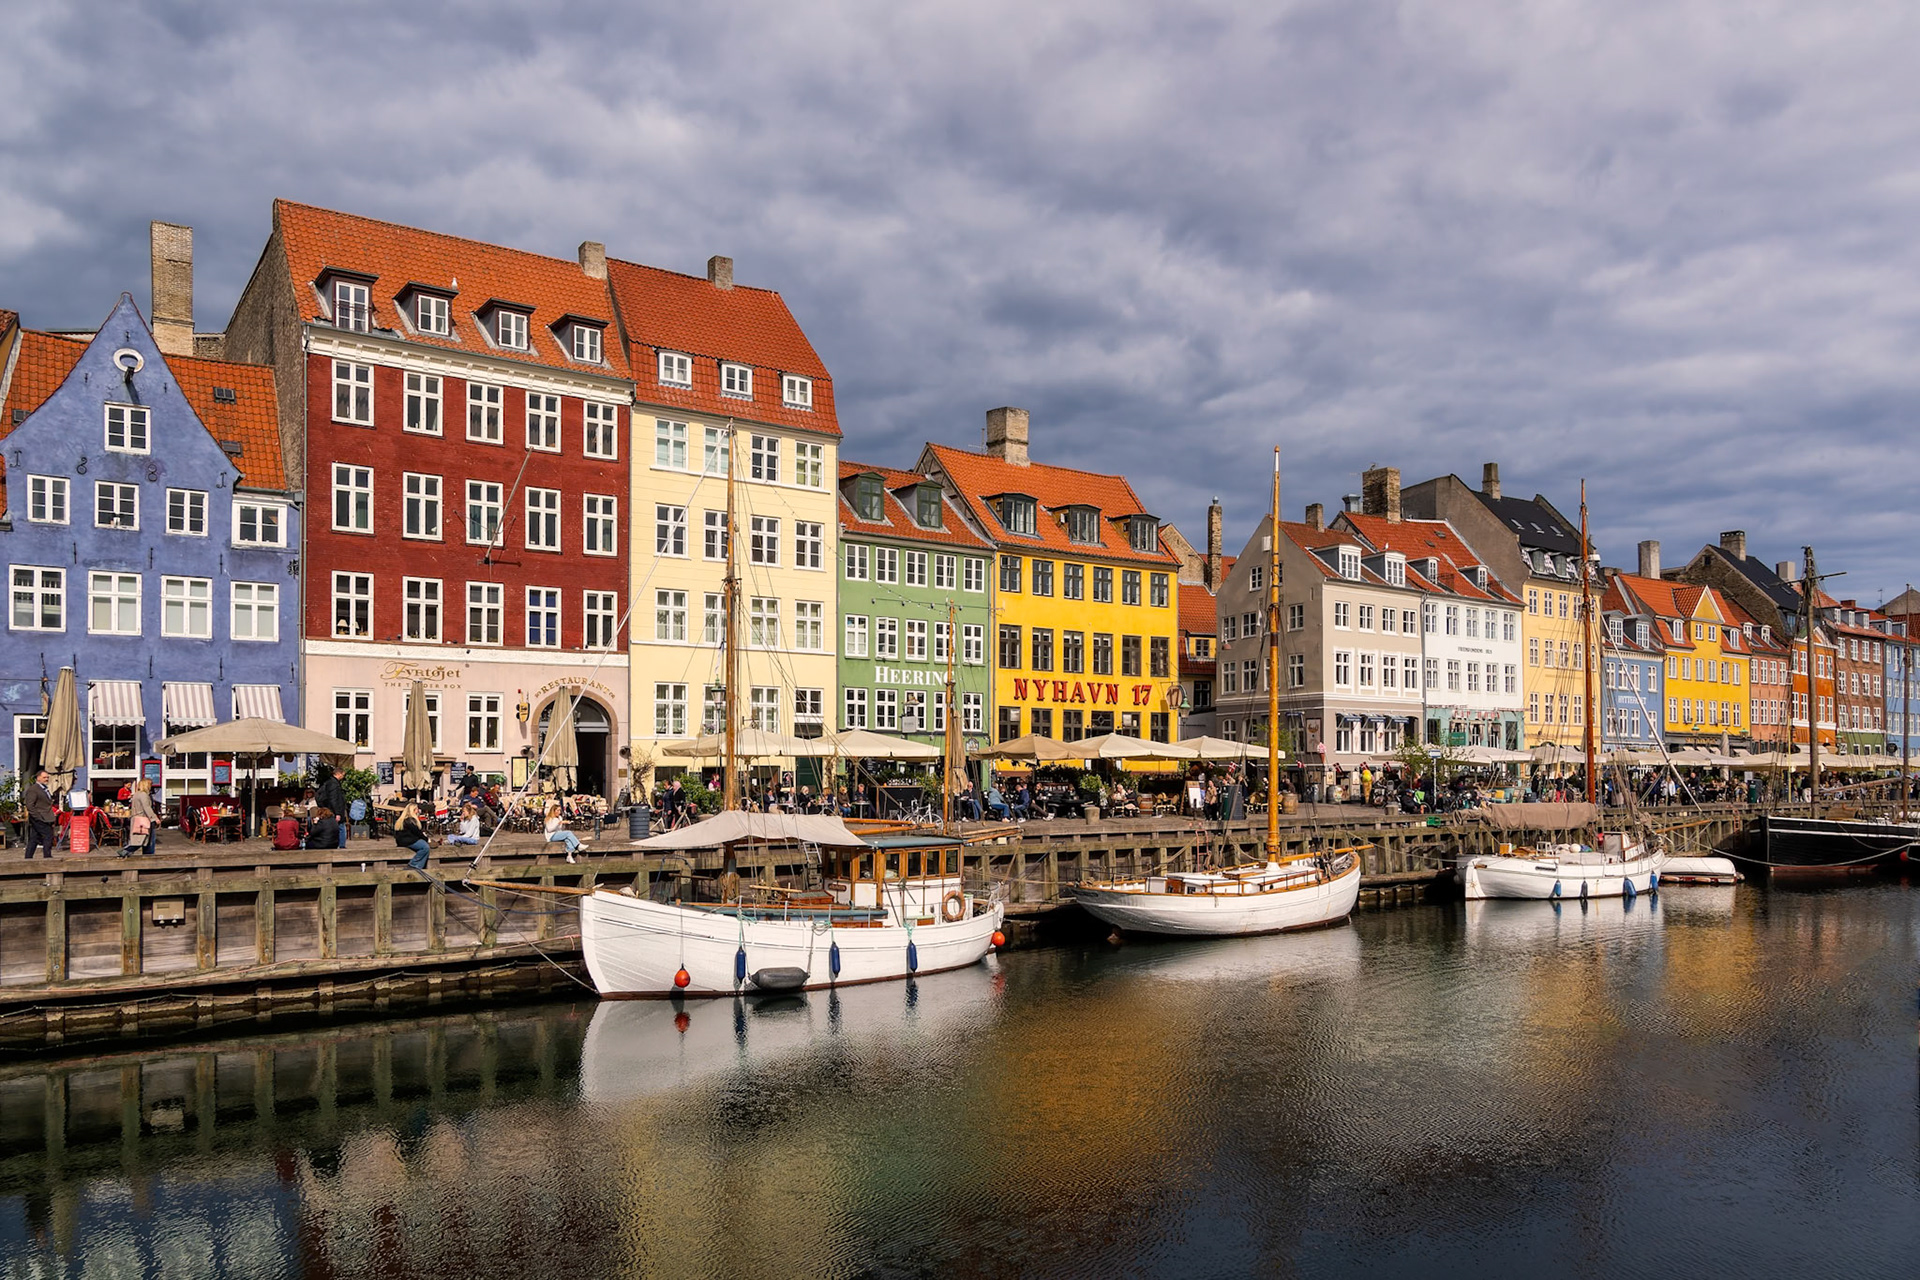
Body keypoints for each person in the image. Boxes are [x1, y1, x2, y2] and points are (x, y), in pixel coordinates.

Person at [23, 770, 57, 861]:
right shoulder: (33, 789)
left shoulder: (44, 789)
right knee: (48, 836)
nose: (46, 779)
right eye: (44, 777)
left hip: (46, 817)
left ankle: (28, 858)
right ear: (38, 778)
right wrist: (38, 817)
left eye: (47, 777)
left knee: (34, 838)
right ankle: (47, 857)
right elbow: (30, 805)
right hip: (39, 818)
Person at [316, 767, 350, 848]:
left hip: (329, 809)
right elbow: (334, 799)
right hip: (334, 810)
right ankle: (341, 846)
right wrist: (337, 813)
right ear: (338, 774)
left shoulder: (328, 782)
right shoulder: (334, 784)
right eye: (342, 775)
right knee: (341, 828)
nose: (343, 777)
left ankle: (335, 844)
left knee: (333, 827)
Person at [393, 802, 431, 871]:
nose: (418, 811)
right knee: (425, 847)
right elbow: (418, 833)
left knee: (423, 843)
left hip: (402, 841)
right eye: (417, 809)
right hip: (409, 841)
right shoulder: (411, 820)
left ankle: (418, 867)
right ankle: (413, 865)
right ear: (413, 810)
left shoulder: (402, 819)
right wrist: (426, 839)